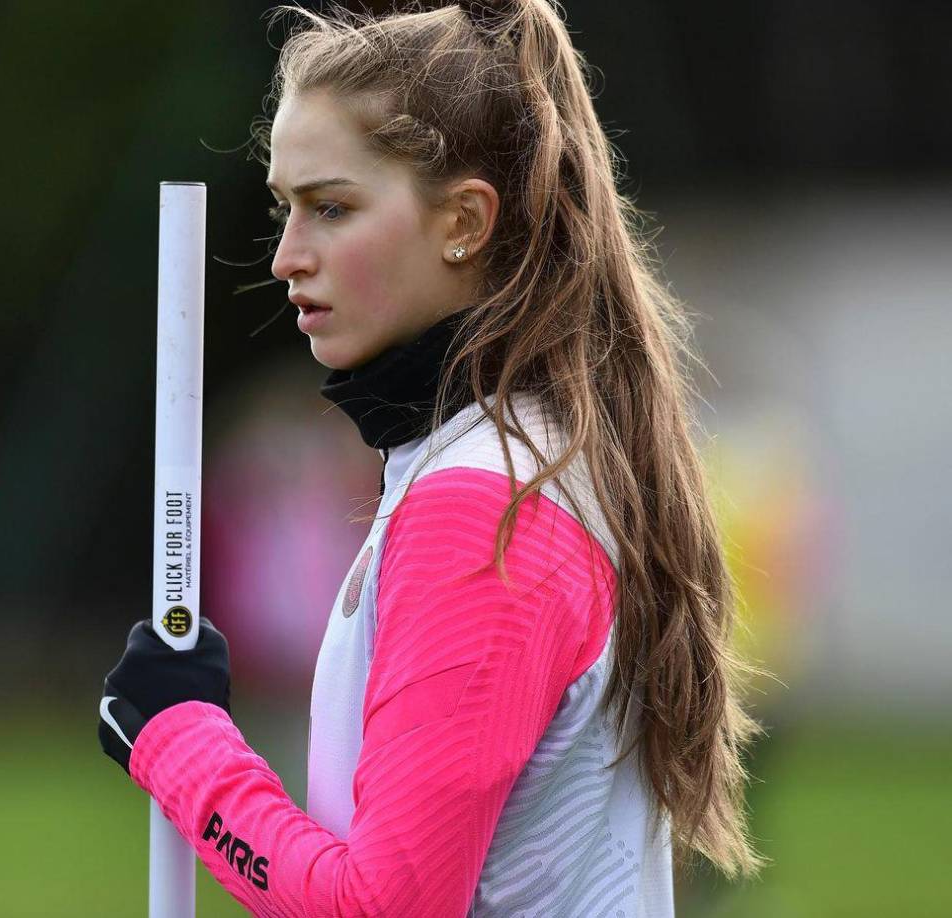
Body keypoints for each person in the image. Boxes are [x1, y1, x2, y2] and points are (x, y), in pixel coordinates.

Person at [98, 1, 767, 914]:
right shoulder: (510, 463)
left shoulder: (485, 506)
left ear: (463, 220)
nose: (287, 257)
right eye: (285, 209)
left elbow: (384, 906)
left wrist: (182, 746)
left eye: (331, 208)